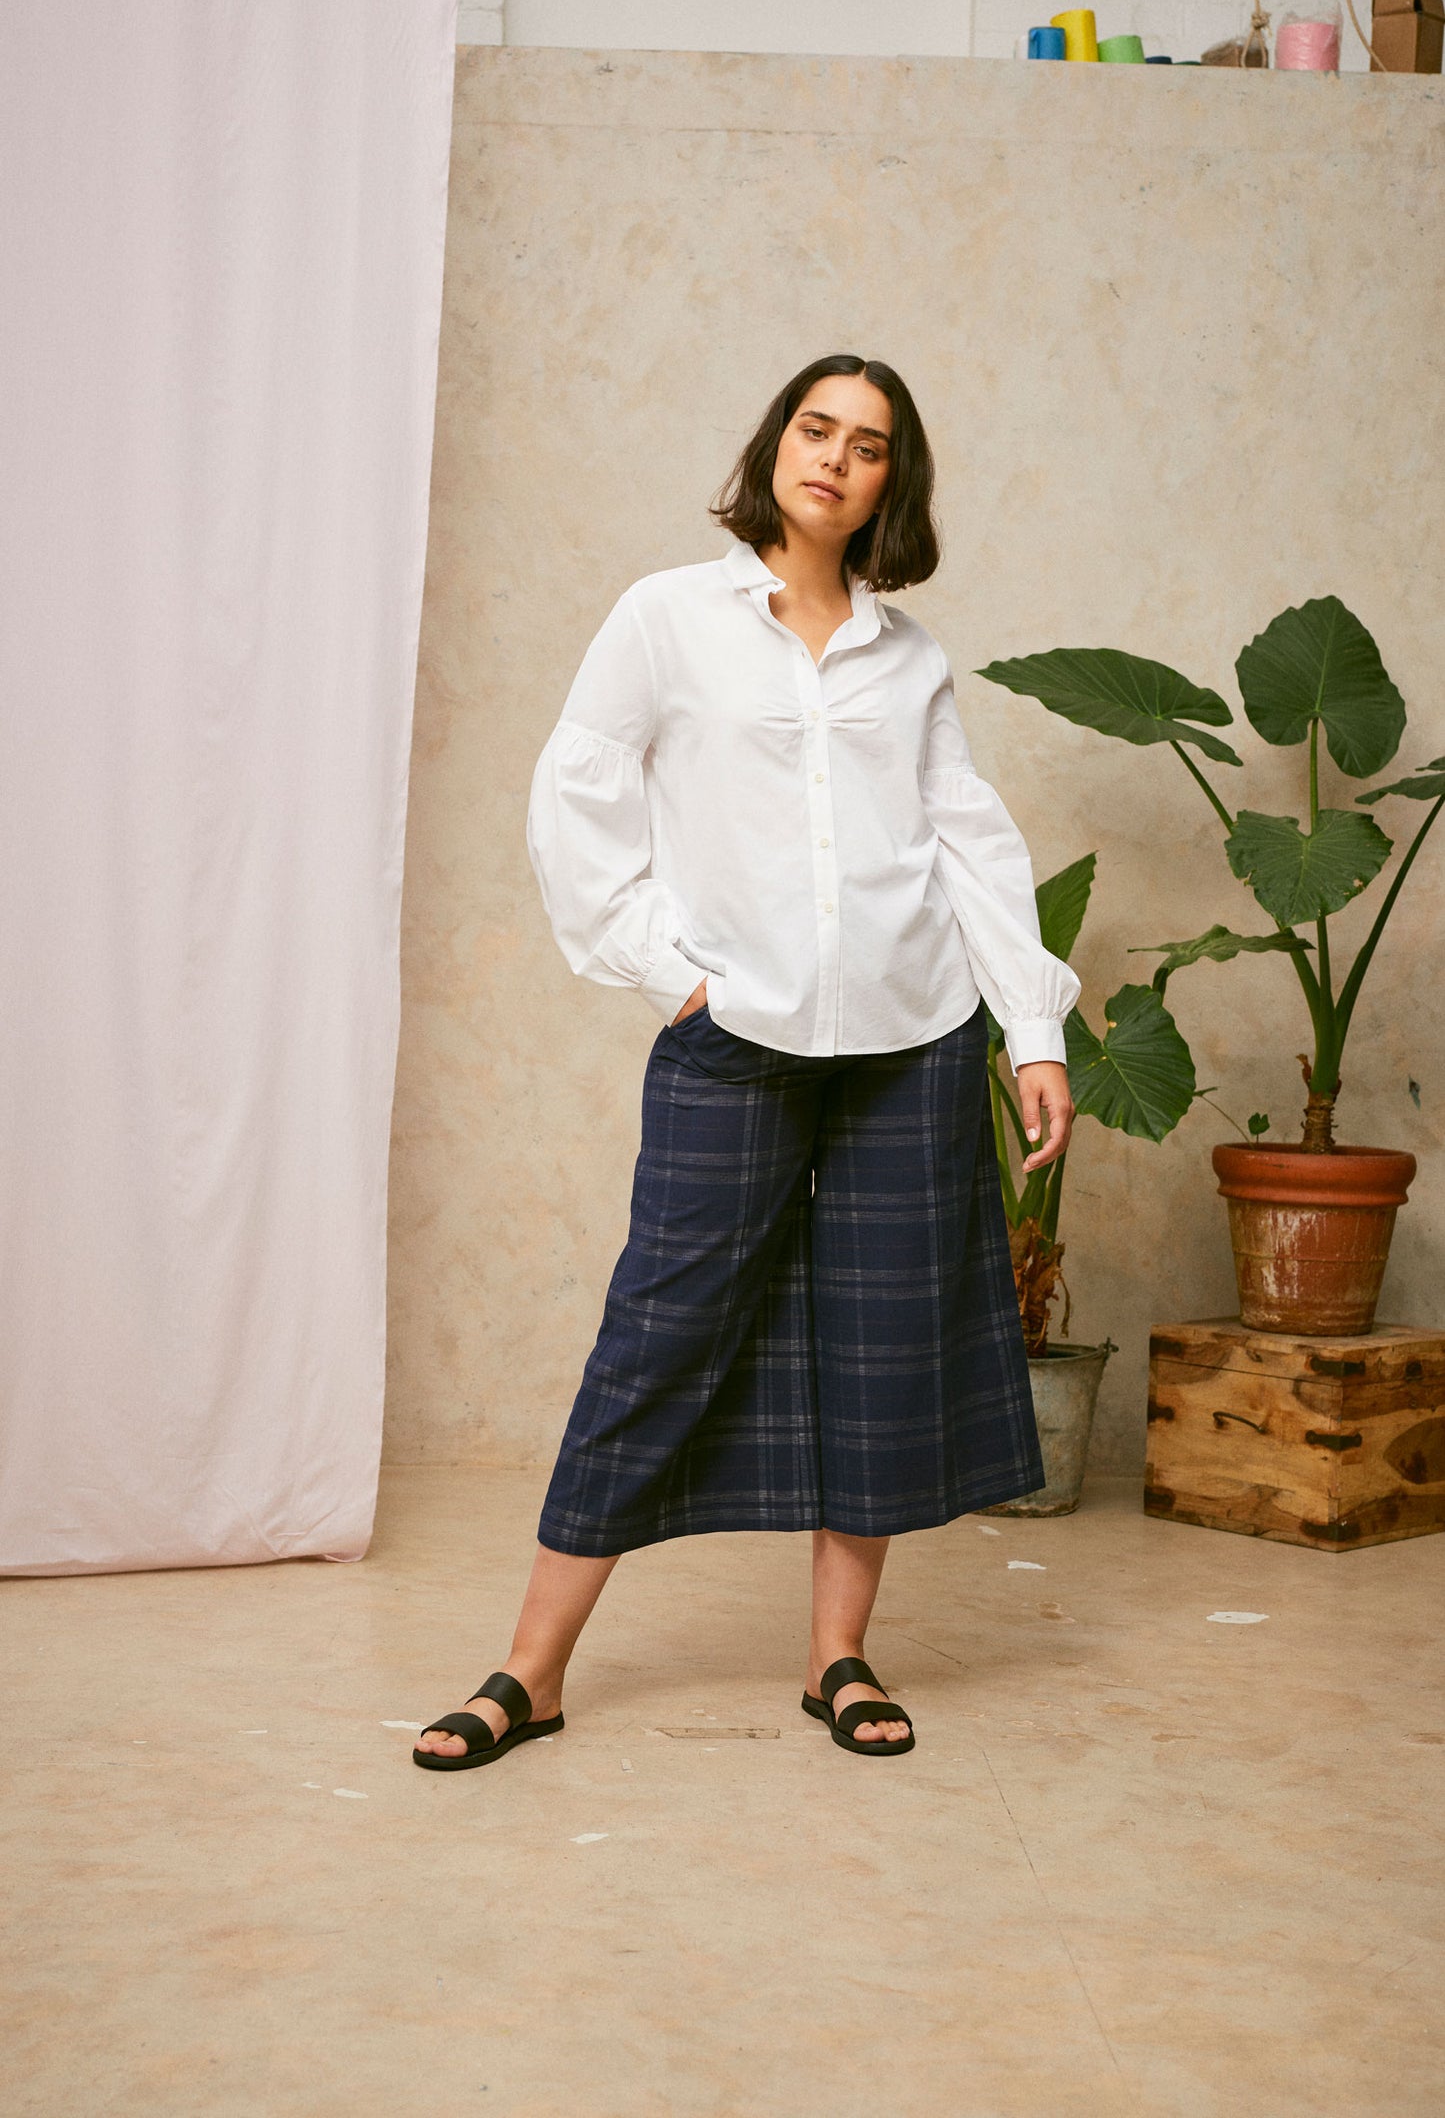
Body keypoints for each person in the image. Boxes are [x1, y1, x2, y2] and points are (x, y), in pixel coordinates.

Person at [414, 352, 1079, 1771]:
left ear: (893, 482)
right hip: (742, 1037)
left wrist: (1029, 1028)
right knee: (656, 1339)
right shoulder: (668, 617)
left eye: (870, 443)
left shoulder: (910, 659)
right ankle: (528, 1672)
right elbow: (576, 791)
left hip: (910, 1042)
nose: (834, 456)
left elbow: (966, 840)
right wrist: (675, 972)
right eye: (814, 426)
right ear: (774, 441)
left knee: (880, 1349)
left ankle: (836, 1656)